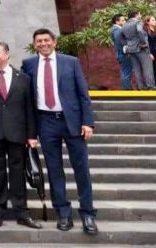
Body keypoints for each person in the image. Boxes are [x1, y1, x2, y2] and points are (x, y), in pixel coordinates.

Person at [23, 28, 97, 235]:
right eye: (39, 41)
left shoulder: (70, 62)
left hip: (71, 121)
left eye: (47, 40)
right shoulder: (29, 64)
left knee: (81, 169)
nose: (43, 44)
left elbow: (83, 94)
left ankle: (88, 214)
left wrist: (87, 122)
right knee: (54, 170)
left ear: (54, 42)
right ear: (34, 43)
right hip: (46, 122)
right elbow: (25, 94)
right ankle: (63, 213)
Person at [0, 42, 41, 229]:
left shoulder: (23, 78)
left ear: (7, 54)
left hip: (18, 133)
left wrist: (31, 134)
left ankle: (21, 212)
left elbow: (29, 108)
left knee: (17, 174)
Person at [121, 10, 156, 90]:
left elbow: (120, 37)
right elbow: (140, 31)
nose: (140, 15)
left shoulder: (125, 25)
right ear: (136, 15)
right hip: (141, 48)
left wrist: (127, 44)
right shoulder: (138, 22)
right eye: (140, 14)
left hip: (131, 49)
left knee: (137, 70)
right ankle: (151, 87)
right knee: (147, 68)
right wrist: (143, 42)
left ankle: (141, 87)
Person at [110, 14, 132, 90]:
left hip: (122, 54)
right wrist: (127, 50)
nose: (125, 22)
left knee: (126, 71)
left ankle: (127, 89)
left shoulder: (117, 29)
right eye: (123, 20)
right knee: (126, 72)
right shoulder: (116, 30)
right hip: (123, 54)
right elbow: (120, 41)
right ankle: (127, 90)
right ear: (117, 21)